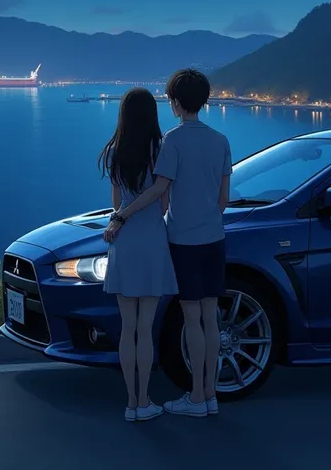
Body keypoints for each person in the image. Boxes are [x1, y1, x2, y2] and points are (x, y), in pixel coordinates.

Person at [104, 69, 232, 418]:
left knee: (183, 321)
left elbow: (158, 192)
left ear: (175, 102)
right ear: (205, 100)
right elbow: (223, 200)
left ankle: (165, 401)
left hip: (180, 240)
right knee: (210, 318)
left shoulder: (172, 141)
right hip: (213, 237)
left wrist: (121, 216)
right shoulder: (220, 140)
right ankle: (208, 396)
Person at [99, 87, 178, 423]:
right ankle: (144, 401)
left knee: (126, 326)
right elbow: (163, 201)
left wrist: (120, 218)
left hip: (124, 242)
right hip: (151, 240)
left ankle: (131, 403)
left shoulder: (115, 150)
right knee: (144, 328)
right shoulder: (159, 149)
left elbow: (117, 204)